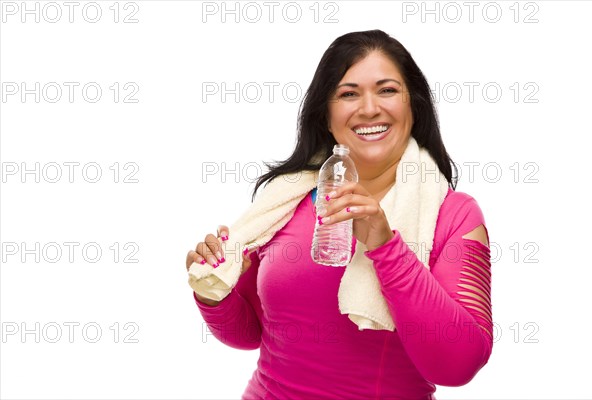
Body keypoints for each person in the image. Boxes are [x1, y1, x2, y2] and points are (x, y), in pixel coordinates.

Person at [186, 29, 492, 400]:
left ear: (414, 106)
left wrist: (385, 246)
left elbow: (458, 365)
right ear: (326, 116)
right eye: (348, 93)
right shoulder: (283, 202)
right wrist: (214, 293)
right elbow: (250, 334)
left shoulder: (454, 215)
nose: (368, 108)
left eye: (387, 90)